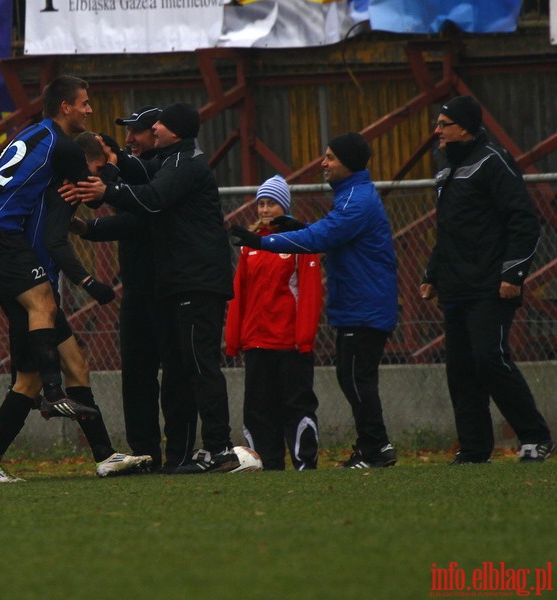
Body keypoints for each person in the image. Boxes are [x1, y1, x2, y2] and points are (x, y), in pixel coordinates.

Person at [0, 133, 151, 481]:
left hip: (37, 292)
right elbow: (54, 241)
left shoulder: (54, 182)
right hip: (31, 294)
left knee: (77, 367)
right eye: (96, 170)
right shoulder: (65, 189)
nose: (97, 180)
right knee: (28, 381)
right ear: (83, 167)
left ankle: (105, 455)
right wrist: (88, 283)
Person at [76, 102, 237, 474]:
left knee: (196, 367)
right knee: (165, 371)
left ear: (171, 130)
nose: (145, 133)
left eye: (156, 125)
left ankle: (218, 449)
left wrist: (108, 186)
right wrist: (113, 166)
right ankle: (161, 454)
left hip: (194, 281)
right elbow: (142, 177)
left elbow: (150, 200)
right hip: (176, 284)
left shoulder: (184, 164)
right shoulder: (169, 162)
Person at [230, 132, 399, 469]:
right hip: (356, 306)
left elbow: (322, 236)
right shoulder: (352, 196)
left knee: (355, 379)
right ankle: (371, 447)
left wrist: (265, 241)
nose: (323, 163)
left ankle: (376, 448)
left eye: (330, 157)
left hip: (363, 307)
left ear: (348, 163)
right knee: (352, 378)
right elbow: (327, 232)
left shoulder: (356, 200)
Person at [0, 75, 104, 431]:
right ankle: (54, 393)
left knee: (37, 316)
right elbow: (90, 190)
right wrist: (103, 187)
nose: (89, 110)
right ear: (65, 107)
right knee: (43, 302)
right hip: (0, 232)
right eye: (84, 103)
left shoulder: (30, 133)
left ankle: (102, 452)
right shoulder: (64, 147)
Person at [421, 95, 553, 464]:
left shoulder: (493, 161)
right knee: (460, 369)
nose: (438, 131)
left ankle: (535, 437)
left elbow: (524, 222)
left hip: (492, 285)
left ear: (464, 126)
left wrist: (514, 273)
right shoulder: (445, 170)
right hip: (457, 286)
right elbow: (448, 231)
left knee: (489, 359)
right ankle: (475, 448)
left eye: (444, 124)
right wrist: (432, 274)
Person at [72, 106, 172, 471]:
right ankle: (145, 454)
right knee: (136, 373)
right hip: (137, 289)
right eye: (127, 133)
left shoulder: (164, 170)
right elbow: (120, 213)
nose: (131, 139)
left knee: (176, 374)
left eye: (138, 132)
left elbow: (140, 219)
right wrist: (88, 225)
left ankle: (181, 452)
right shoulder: (129, 170)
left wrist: (94, 222)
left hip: (167, 288)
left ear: (158, 133)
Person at [225, 175, 323, 470]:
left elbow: (310, 294)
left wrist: (304, 338)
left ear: (284, 206)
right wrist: (234, 340)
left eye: (272, 203)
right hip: (256, 341)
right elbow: (238, 294)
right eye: (261, 204)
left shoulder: (300, 243)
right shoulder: (249, 248)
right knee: (258, 410)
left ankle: (304, 462)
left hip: (289, 342)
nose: (265, 210)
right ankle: (266, 466)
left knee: (297, 405)